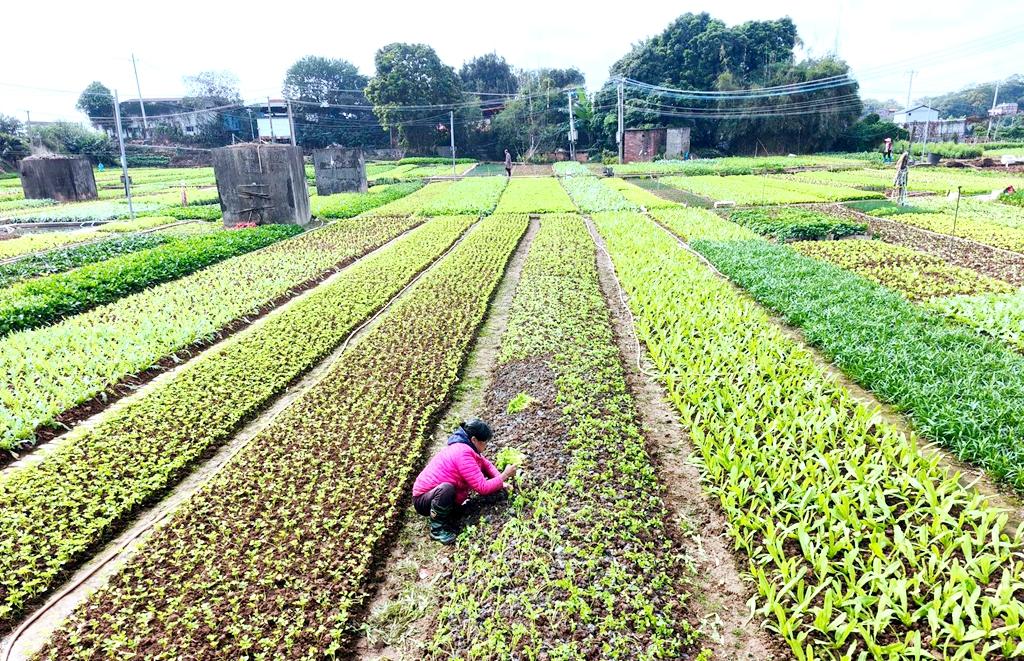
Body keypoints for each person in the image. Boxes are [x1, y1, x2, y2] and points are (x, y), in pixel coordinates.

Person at [412, 418, 516, 544]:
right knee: (446, 489)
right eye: (484, 442)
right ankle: (437, 530)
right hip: (423, 500)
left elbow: (485, 464)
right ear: (474, 439)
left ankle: (448, 514)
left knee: (448, 491)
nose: (486, 445)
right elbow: (482, 488)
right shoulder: (462, 453)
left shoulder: (467, 446)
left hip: (435, 495)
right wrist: (504, 475)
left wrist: (500, 482)